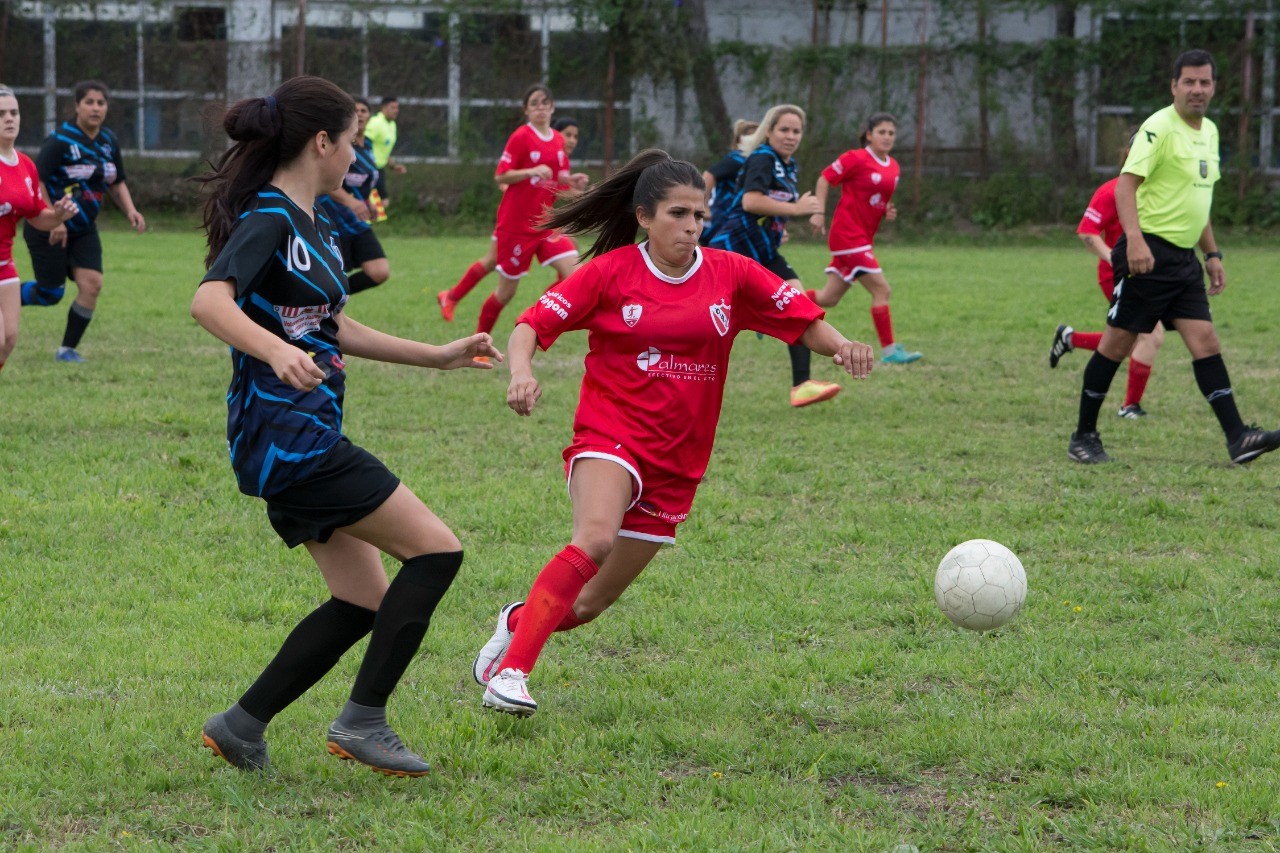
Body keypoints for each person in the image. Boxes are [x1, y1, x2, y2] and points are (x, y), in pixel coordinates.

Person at [471, 149, 874, 717]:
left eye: (699, 216)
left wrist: (843, 347)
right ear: (643, 217)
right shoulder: (611, 272)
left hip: (678, 463)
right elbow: (530, 326)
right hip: (609, 437)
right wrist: (521, 373)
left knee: (585, 606)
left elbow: (803, 320)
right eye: (678, 215)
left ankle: (517, 623)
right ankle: (511, 674)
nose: (691, 227)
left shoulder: (730, 274)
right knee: (594, 539)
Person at [191, 76, 502, 777]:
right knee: (436, 551)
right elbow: (210, 301)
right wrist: (274, 349)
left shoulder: (319, 222)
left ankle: (240, 725)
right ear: (322, 142)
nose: (358, 157)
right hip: (287, 439)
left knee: (362, 599)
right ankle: (363, 719)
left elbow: (333, 325)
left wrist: (437, 356)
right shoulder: (268, 216)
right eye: (354, 142)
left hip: (302, 434)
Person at [1066, 49, 1280, 465]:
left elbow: (1197, 202)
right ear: (1174, 86)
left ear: (1214, 86)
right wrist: (1135, 240)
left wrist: (1212, 253)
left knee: (1206, 342)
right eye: (1189, 82)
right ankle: (1083, 436)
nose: (1197, 89)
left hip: (1184, 260)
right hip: (1147, 254)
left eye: (1204, 82)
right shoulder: (1158, 128)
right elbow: (1125, 187)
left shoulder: (1211, 132)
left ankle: (1238, 439)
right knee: (1116, 345)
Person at [707, 104, 839, 407]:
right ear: (769, 131)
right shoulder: (762, 158)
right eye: (784, 130)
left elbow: (767, 205)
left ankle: (803, 385)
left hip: (764, 251)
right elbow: (752, 201)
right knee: (707, 318)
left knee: (800, 306)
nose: (791, 136)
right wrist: (796, 210)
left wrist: (779, 227)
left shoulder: (787, 164)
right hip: (733, 250)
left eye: (796, 131)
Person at [20, 80, 145, 363]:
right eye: (89, 102)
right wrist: (55, 218)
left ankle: (67, 350)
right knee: (50, 293)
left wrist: (131, 210)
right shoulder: (60, 141)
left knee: (92, 284)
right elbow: (35, 180)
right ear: (77, 106)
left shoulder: (108, 142)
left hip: (84, 229)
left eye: (101, 103)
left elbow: (117, 181)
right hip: (47, 226)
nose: (95, 108)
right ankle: (7, 295)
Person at [1050, 129, 1164, 418]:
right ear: (1129, 155)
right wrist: (1116, 260)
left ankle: (1070, 339)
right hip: (1118, 275)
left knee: (1130, 337)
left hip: (1153, 274)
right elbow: (1087, 232)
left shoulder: (1161, 193)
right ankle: (1130, 406)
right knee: (1149, 335)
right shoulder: (1112, 190)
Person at [456, 85, 579, 346]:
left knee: (574, 273)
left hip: (544, 225)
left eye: (545, 103)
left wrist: (573, 182)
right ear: (526, 109)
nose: (540, 108)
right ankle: (479, 343)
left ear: (552, 107)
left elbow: (559, 180)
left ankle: (536, 320)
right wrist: (531, 171)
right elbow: (501, 175)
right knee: (506, 292)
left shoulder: (558, 139)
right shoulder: (521, 137)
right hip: (516, 227)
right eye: (534, 103)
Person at [436, 114, 588, 323]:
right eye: (567, 135)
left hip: (539, 226)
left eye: (575, 136)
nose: (571, 140)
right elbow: (509, 178)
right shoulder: (533, 146)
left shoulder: (560, 161)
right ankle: (451, 298)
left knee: (571, 259)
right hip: (515, 224)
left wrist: (585, 193)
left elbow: (556, 190)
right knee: (494, 267)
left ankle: (541, 313)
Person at [809, 113, 923, 365]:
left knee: (829, 298)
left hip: (862, 239)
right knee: (882, 289)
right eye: (881, 132)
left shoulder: (893, 166)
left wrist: (886, 209)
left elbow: (876, 198)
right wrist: (818, 212)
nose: (887, 137)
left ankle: (772, 309)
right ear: (869, 134)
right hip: (848, 236)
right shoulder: (856, 158)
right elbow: (824, 178)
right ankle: (890, 351)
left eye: (891, 133)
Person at [0, 85, 80, 375]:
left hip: (5, 266)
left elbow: (37, 218)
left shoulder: (25, 166)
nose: (9, 119)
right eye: (1, 114)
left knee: (8, 340)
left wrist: (57, 215)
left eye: (14, 112)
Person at [317, 96, 388, 295]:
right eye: (355, 110)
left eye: (364, 110)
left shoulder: (370, 146)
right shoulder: (340, 144)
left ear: (370, 116)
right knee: (332, 273)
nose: (360, 114)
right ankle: (326, 305)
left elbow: (364, 181)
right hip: (334, 215)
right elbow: (327, 180)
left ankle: (333, 297)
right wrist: (351, 201)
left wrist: (367, 203)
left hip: (357, 217)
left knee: (379, 271)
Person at [698, 118, 758, 246]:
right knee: (716, 253)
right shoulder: (738, 159)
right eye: (750, 138)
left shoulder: (757, 161)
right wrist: (704, 205)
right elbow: (708, 176)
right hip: (723, 216)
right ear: (739, 141)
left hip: (737, 217)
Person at [363, 96, 406, 206]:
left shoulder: (392, 125)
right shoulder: (376, 123)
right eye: (393, 107)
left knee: (380, 204)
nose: (396, 111)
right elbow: (361, 144)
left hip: (379, 170)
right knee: (379, 204)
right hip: (368, 170)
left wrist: (393, 166)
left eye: (397, 108)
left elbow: (383, 150)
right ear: (384, 108)